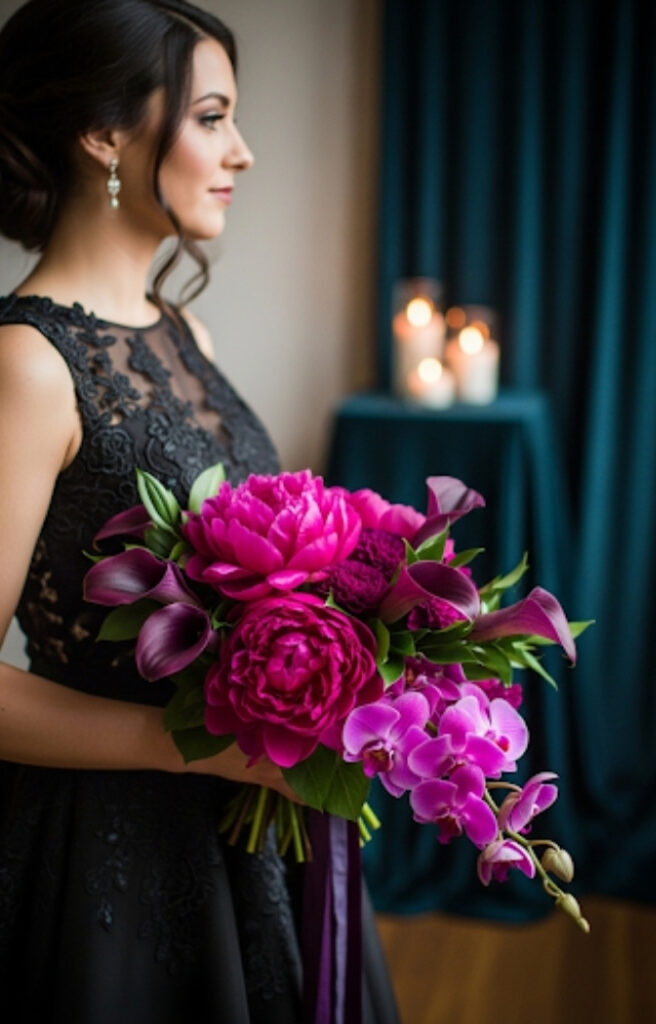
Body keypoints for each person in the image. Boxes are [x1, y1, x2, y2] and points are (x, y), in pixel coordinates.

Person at [0, 2, 401, 1021]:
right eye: (212, 116)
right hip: (111, 856)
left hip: (253, 836)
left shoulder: (188, 337)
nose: (244, 152)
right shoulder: (26, 367)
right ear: (104, 134)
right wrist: (204, 745)